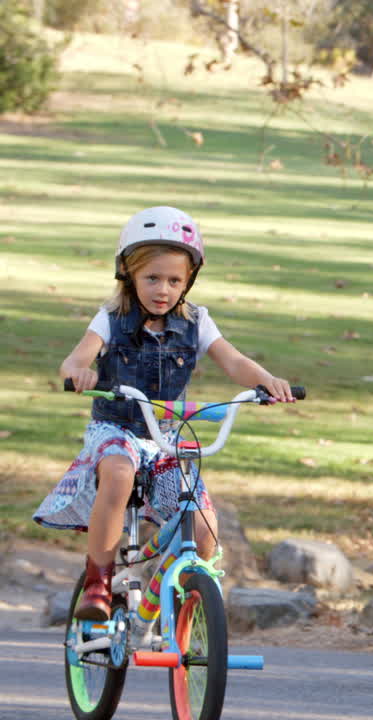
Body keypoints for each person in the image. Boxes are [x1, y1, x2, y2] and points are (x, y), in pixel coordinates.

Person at [34, 206, 296, 622]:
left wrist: (267, 382)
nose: (163, 289)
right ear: (129, 275)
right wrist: (79, 373)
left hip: (165, 437)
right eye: (152, 278)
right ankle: (98, 580)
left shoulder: (196, 322)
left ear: (188, 281)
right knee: (119, 474)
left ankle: (175, 611)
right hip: (114, 429)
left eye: (175, 280)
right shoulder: (111, 320)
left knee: (203, 525)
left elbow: (234, 361)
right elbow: (74, 361)